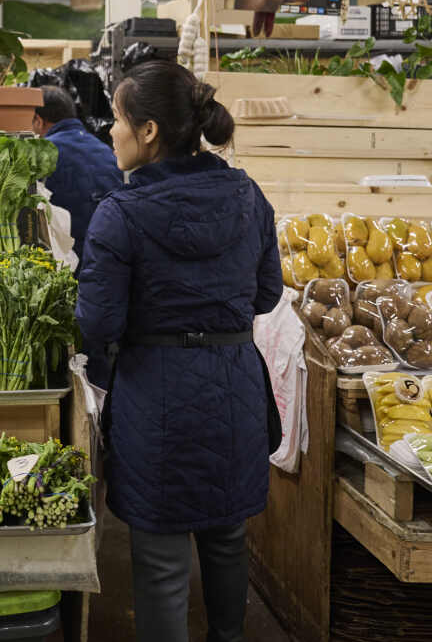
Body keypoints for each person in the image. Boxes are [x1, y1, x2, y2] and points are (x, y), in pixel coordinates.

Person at [75, 60, 282, 642]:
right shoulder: (247, 195)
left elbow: (98, 321)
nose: (110, 131)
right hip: (235, 387)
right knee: (227, 536)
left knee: (163, 557)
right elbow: (267, 294)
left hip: (156, 396)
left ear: (148, 132)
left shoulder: (121, 213)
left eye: (118, 119)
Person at [31, 85, 123, 264]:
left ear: (38, 121)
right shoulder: (105, 150)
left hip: (70, 262)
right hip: (109, 255)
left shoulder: (43, 153)